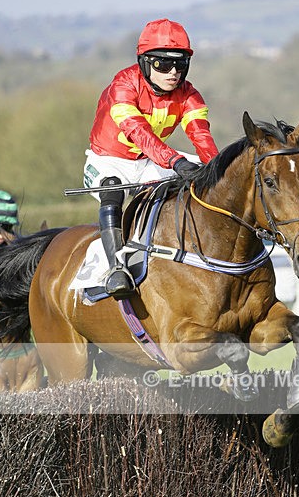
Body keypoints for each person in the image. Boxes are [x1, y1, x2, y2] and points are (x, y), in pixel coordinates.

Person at [83, 18, 219, 299]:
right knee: (112, 189)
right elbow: (139, 133)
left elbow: (201, 137)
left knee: (206, 176)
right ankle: (115, 268)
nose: (172, 72)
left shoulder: (189, 95)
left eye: (179, 65)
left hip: (149, 162)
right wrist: (174, 162)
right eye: (162, 64)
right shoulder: (122, 85)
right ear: (144, 62)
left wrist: (218, 170)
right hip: (107, 161)